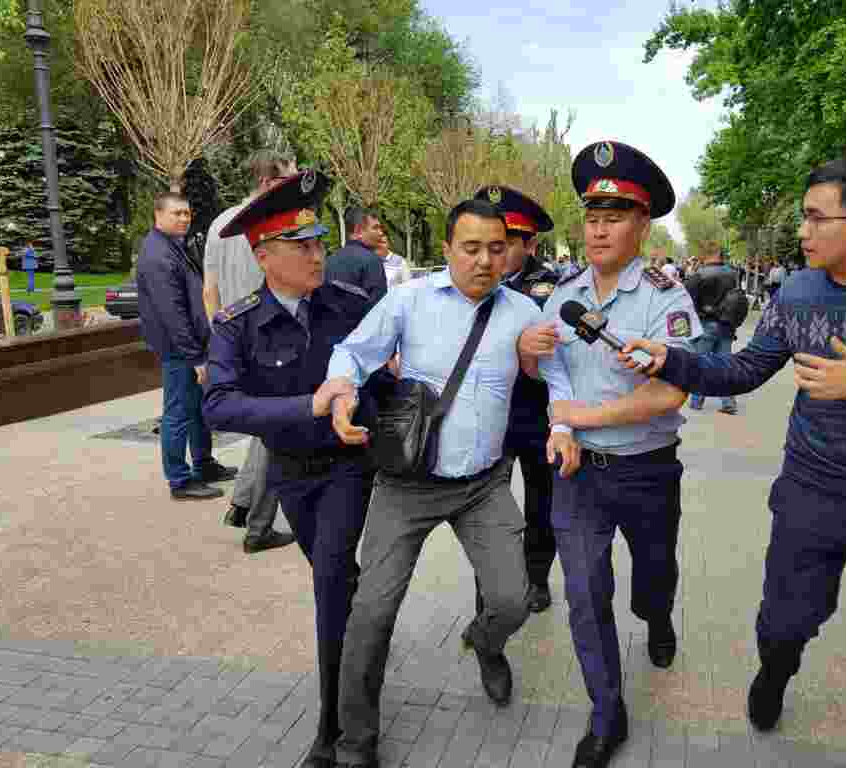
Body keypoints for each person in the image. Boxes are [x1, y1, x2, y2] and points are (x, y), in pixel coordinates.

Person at [615, 153, 846, 757]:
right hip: (811, 498)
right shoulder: (798, 291)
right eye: (804, 218)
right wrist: (670, 359)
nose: (803, 231)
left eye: (817, 219)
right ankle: (775, 671)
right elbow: (743, 369)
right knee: (784, 623)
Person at [326, 198, 580, 768]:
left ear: (509, 251)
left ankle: (485, 643)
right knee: (371, 614)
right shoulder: (409, 301)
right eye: (471, 248)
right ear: (447, 250)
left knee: (514, 600)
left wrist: (562, 424)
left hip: (484, 486)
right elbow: (354, 352)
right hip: (407, 485)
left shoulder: (521, 312)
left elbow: (557, 376)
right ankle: (355, 743)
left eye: (496, 248)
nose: (485, 260)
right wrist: (342, 388)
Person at [531, 140, 702, 768]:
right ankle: (608, 714)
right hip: (579, 475)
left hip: (649, 469)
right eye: (592, 217)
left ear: (642, 225)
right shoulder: (563, 292)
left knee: (652, 580)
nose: (599, 230)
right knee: (583, 591)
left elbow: (671, 389)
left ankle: (658, 619)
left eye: (615, 217)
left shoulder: (665, 298)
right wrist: (563, 428)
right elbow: (554, 373)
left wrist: (583, 416)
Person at [203, 170, 379, 768]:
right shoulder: (238, 323)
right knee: (339, 581)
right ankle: (360, 646)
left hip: (350, 468)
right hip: (291, 475)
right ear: (262, 255)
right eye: (300, 246)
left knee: (330, 578)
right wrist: (307, 406)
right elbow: (218, 404)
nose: (316, 255)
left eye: (319, 242)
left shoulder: (350, 305)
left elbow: (385, 365)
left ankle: (338, 728)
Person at [203, 149, 296, 553]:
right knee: (278, 430)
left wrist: (220, 342)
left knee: (264, 430)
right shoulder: (273, 223)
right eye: (287, 179)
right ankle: (258, 525)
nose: (294, 187)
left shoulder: (219, 223)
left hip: (234, 337)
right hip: (271, 337)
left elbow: (209, 290)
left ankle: (242, 504)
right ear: (266, 183)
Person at [474, 184, 560, 614]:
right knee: (485, 511)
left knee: (541, 502)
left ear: (530, 244)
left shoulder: (547, 289)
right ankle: (489, 586)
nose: (497, 251)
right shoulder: (471, 282)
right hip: (488, 417)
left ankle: (537, 576)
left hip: (535, 416)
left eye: (507, 241)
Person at [137, 191, 237, 500]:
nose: (184, 218)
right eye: (176, 213)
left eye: (187, 213)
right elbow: (172, 313)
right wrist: (195, 356)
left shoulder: (172, 247)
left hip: (191, 346)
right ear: (158, 215)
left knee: (197, 408)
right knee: (178, 413)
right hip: (180, 349)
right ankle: (179, 480)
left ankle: (204, 465)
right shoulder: (158, 255)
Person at [683, 239, 741, 415]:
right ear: (718, 253)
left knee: (700, 363)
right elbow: (737, 300)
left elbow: (687, 303)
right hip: (727, 325)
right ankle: (728, 402)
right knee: (724, 364)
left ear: (703, 255)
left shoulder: (697, 276)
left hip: (704, 324)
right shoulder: (732, 274)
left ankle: (696, 401)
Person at [323, 207, 387, 303]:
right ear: (358, 230)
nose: (380, 233)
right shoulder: (372, 261)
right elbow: (379, 307)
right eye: (375, 228)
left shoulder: (328, 260)